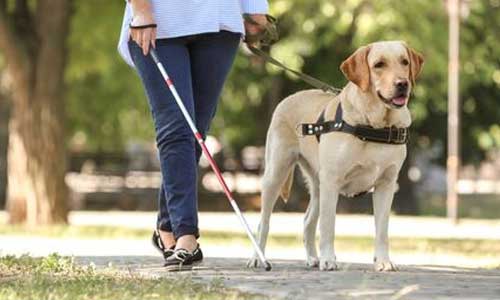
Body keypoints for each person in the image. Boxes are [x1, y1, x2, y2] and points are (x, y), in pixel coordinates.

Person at [117, 0, 269, 270]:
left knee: (194, 131)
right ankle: (186, 237)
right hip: (159, 19)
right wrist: (141, 10)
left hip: (220, 21)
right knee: (176, 128)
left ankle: (167, 227)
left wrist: (256, 9)